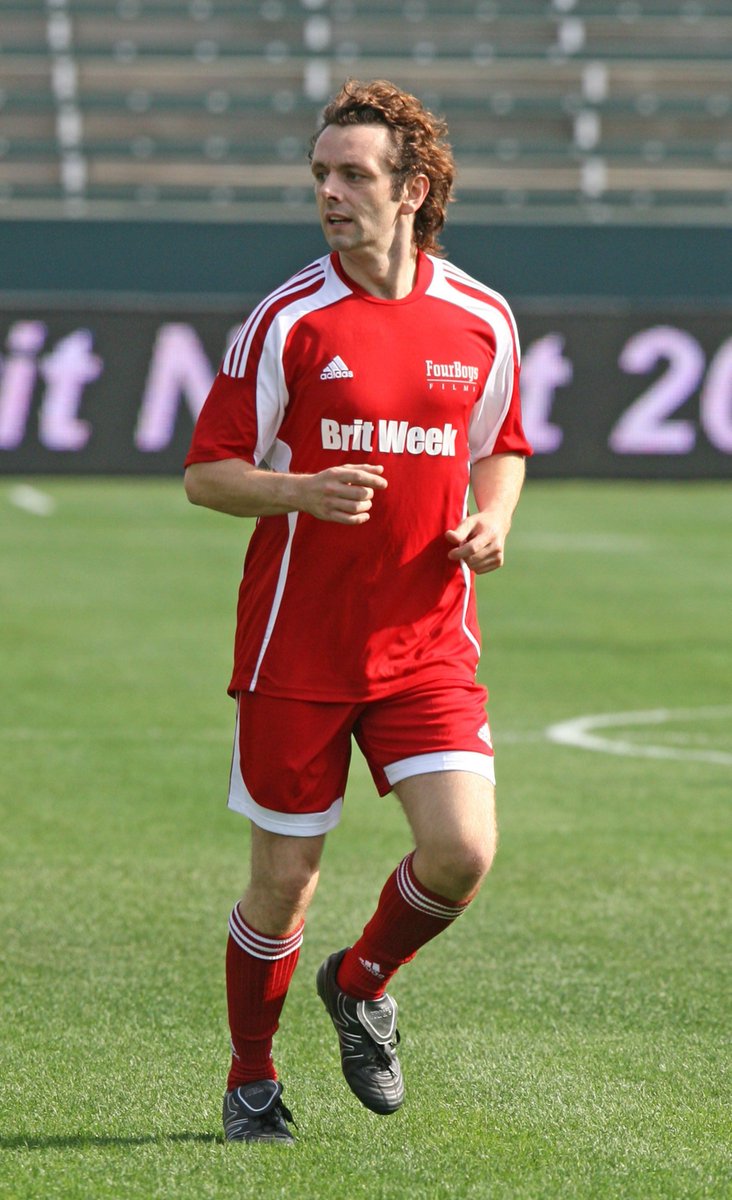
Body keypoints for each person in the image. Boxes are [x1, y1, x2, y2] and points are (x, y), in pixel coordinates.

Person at [184, 78, 532, 1145]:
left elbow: (502, 444)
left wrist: (492, 520)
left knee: (463, 852)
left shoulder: (480, 317)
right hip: (299, 648)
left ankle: (364, 978)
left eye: (353, 175)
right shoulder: (288, 320)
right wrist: (299, 490)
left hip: (427, 642)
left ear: (413, 189)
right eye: (321, 174)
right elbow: (207, 475)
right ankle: (253, 1078)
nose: (331, 193)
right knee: (284, 882)